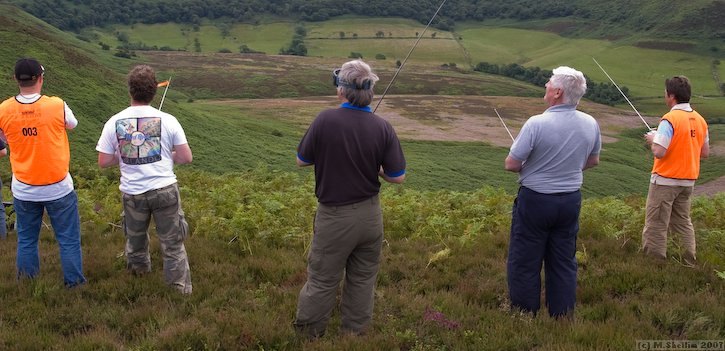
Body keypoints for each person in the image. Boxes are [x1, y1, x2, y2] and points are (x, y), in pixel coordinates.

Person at [293, 59, 406, 338]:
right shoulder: (383, 127)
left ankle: (309, 335)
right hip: (370, 217)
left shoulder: (325, 120)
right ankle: (354, 336)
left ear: (341, 90)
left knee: (322, 278)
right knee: (363, 278)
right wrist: (377, 170)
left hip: (335, 217)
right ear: (369, 92)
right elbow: (397, 176)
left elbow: (301, 160)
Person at [504, 66, 601, 317]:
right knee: (564, 261)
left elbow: (511, 164)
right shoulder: (590, 123)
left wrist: (533, 167)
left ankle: (525, 315)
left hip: (535, 201)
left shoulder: (537, 123)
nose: (545, 85)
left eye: (548, 83)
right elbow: (593, 161)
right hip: (570, 201)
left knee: (525, 260)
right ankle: (562, 315)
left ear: (557, 92)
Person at [96, 65, 193, 294]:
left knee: (136, 242)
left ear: (130, 90)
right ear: (154, 91)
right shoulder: (169, 120)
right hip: (164, 190)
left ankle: (139, 285)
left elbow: (103, 161)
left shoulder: (115, 122)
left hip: (133, 194)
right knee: (172, 244)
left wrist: (124, 155)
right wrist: (168, 155)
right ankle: (178, 291)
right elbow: (186, 157)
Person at [0, 58, 86, 287]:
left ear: (15, 80)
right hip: (58, 185)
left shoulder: (4, 109)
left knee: (26, 239)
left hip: (24, 187)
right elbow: (72, 124)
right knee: (68, 240)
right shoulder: (57, 105)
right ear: (40, 78)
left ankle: (28, 285)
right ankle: (75, 285)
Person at [642, 76, 709, 267]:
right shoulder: (700, 120)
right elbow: (704, 153)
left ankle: (653, 266)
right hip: (688, 181)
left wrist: (653, 138)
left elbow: (659, 151)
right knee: (682, 223)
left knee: (656, 225)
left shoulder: (669, 119)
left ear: (670, 96)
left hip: (665, 181)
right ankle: (688, 262)